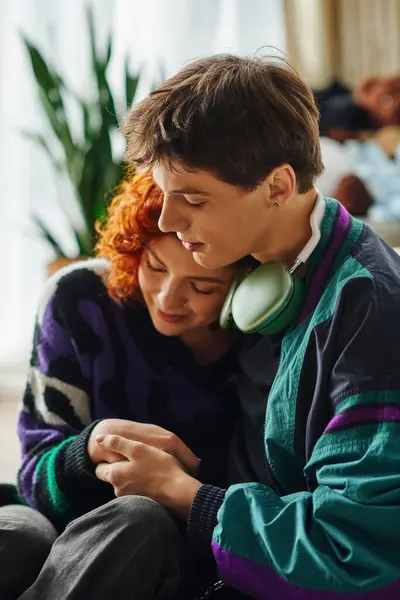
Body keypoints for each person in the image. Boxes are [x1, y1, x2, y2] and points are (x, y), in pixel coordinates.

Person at [87, 53, 400, 599]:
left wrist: (186, 494)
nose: (167, 221)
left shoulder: (366, 311)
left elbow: (357, 553)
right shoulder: (260, 267)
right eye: (166, 194)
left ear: (278, 186)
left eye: (193, 198)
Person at [7, 172, 246, 600]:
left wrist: (175, 488)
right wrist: (86, 451)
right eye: (154, 266)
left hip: (159, 545)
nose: (168, 299)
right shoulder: (80, 300)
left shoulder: (261, 351)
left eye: (203, 286)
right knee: (18, 537)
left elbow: (250, 519)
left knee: (139, 519)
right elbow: (33, 479)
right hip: (50, 515)